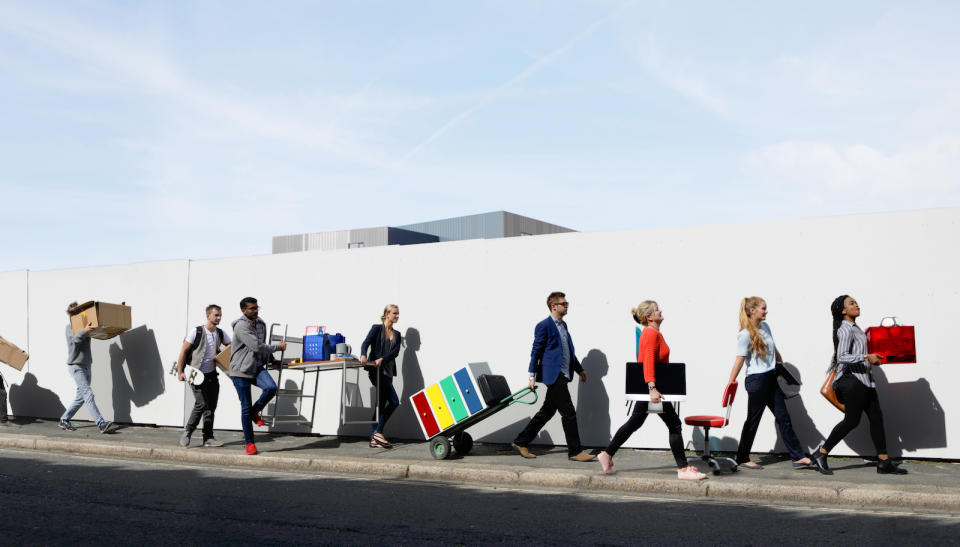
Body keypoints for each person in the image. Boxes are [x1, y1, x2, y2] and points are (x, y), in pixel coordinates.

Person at [597, 301, 706, 479]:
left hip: (653, 388)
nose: (660, 311)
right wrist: (652, 387)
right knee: (674, 424)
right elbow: (647, 361)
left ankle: (607, 454)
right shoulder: (650, 333)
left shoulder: (654, 333)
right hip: (653, 389)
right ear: (649, 317)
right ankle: (683, 469)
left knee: (635, 423)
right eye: (657, 310)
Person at [811, 295, 907, 475]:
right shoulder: (845, 329)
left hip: (865, 380)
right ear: (843, 310)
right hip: (852, 380)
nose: (856, 304)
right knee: (851, 421)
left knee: (876, 419)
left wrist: (873, 358)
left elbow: (859, 354)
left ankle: (884, 461)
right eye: (851, 303)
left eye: (856, 302)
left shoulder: (857, 329)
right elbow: (842, 357)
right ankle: (821, 453)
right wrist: (865, 357)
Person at [727, 297, 813, 470]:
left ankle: (798, 457)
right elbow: (739, 359)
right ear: (752, 310)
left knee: (783, 418)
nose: (766, 311)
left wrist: (781, 366)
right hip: (757, 381)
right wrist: (731, 381)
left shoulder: (766, 327)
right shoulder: (744, 334)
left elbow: (774, 349)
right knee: (753, 420)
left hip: (771, 377)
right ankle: (742, 457)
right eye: (763, 308)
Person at [512, 292, 596, 462]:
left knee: (547, 412)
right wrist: (531, 376)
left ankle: (521, 441)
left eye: (567, 303)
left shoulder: (563, 326)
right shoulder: (543, 326)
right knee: (569, 413)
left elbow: (568, 352)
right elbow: (536, 352)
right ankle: (575, 451)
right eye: (564, 303)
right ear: (553, 306)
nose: (566, 306)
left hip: (564, 374)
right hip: (554, 375)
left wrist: (580, 369)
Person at [229, 297, 284, 456]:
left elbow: (261, 343)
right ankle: (250, 444)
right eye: (252, 308)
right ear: (243, 310)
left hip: (256, 367)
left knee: (271, 387)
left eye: (257, 307)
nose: (256, 310)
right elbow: (255, 345)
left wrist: (271, 359)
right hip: (240, 371)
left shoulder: (261, 324)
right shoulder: (241, 326)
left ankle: (255, 412)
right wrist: (277, 348)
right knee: (245, 407)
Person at [176, 304, 231, 448]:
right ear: (208, 316)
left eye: (220, 315)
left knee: (211, 407)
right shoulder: (197, 331)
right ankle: (187, 431)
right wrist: (180, 372)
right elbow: (183, 351)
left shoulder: (220, 333)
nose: (219, 318)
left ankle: (208, 437)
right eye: (216, 315)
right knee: (201, 404)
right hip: (195, 373)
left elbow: (232, 347)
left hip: (212, 375)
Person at [60, 302, 114, 433]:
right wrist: (83, 331)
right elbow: (74, 342)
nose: (77, 315)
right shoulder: (70, 327)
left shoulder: (86, 326)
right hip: (76, 365)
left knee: (81, 397)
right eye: (74, 313)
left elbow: (101, 333)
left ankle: (64, 419)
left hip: (86, 365)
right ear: (71, 315)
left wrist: (114, 331)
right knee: (88, 394)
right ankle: (101, 423)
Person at [359, 304, 402, 448]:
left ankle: (373, 439)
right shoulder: (376, 328)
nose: (397, 316)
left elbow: (395, 352)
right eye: (395, 313)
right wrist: (364, 354)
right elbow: (366, 342)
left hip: (388, 372)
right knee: (394, 401)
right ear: (387, 314)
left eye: (398, 314)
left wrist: (383, 359)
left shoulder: (397, 334)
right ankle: (378, 432)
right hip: (376, 371)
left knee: (381, 404)